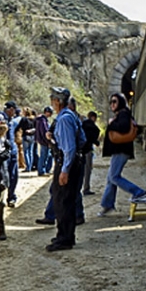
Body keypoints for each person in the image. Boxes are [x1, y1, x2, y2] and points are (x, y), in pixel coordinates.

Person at [46, 87, 86, 251]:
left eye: (53, 99)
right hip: (72, 161)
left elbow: (69, 148)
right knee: (65, 199)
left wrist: (65, 169)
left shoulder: (63, 119)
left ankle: (64, 239)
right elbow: (81, 140)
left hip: (66, 162)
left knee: (62, 201)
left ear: (57, 101)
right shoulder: (72, 116)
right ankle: (65, 235)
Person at [99, 93, 146, 216]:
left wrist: (111, 123)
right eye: (111, 102)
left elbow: (123, 127)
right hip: (119, 151)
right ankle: (107, 205)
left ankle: (138, 192)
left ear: (120, 103)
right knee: (110, 178)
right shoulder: (122, 113)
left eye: (115, 102)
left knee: (114, 177)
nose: (112, 104)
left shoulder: (123, 114)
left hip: (121, 151)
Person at [3, 102, 21, 208]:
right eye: (14, 110)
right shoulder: (1, 119)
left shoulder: (11, 121)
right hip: (5, 152)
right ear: (10, 109)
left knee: (13, 175)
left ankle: (11, 197)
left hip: (12, 151)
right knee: (6, 176)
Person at [82, 111, 101, 195]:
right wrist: (97, 142)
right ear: (93, 117)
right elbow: (94, 135)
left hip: (79, 150)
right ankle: (86, 189)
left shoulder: (81, 124)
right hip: (88, 150)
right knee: (87, 170)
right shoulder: (92, 126)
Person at [35, 106, 53, 176]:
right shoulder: (42, 120)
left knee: (46, 155)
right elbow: (44, 132)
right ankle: (41, 171)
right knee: (43, 156)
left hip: (43, 140)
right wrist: (48, 141)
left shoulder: (42, 119)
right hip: (44, 141)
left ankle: (44, 169)